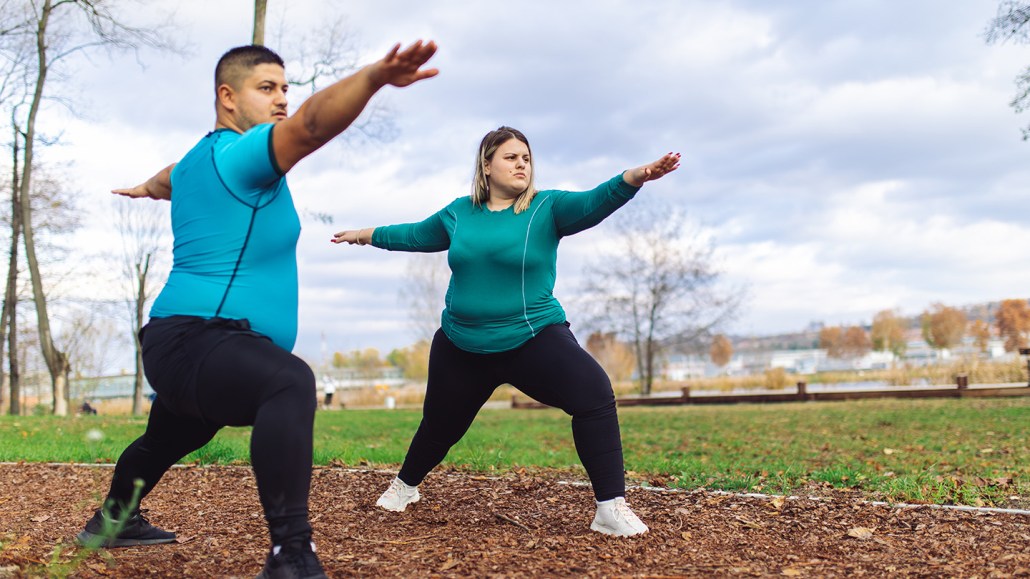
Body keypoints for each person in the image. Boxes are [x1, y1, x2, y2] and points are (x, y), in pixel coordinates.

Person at [76, 41, 437, 578]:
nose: (282, 101)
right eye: (266, 88)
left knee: (167, 438)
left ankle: (112, 520)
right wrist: (375, 77)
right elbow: (312, 127)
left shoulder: (197, 161)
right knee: (287, 383)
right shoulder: (242, 156)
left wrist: (145, 189)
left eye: (286, 89)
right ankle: (291, 555)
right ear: (227, 97)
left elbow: (165, 179)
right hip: (201, 338)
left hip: (179, 343)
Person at [331, 126, 679, 537]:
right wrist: (365, 236)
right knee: (440, 426)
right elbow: (414, 234)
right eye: (511, 157)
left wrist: (634, 177)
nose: (521, 164)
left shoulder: (547, 208)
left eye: (526, 158)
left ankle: (610, 508)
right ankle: (405, 487)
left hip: (532, 336)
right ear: (486, 165)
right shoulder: (459, 213)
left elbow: (594, 202)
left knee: (594, 394)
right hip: (462, 343)